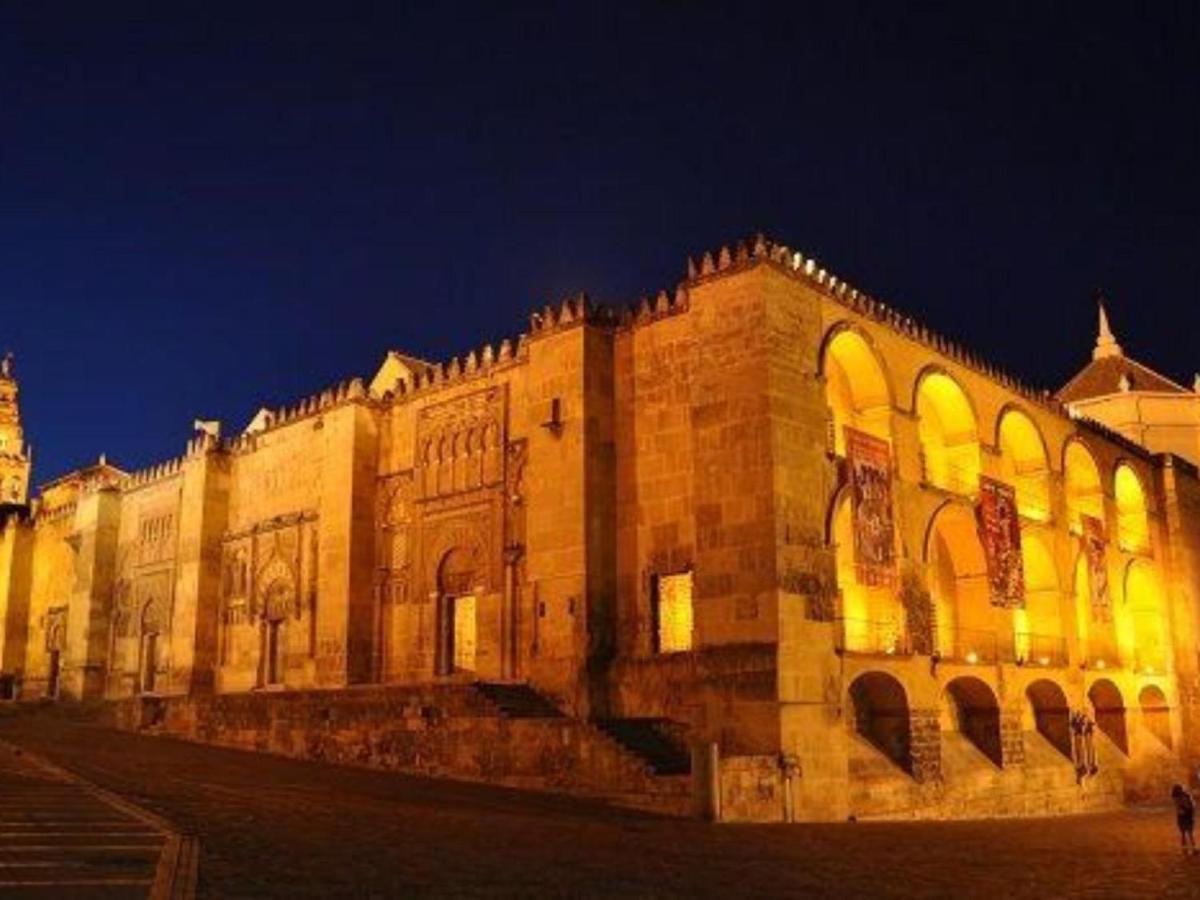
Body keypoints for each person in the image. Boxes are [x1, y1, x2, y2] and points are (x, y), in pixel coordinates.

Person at [1172, 784, 1196, 856]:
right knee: (1189, 834)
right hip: (1187, 815)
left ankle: (1186, 850)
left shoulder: (1177, 798)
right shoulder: (1185, 796)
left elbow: (1179, 808)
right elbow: (1192, 805)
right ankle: (1192, 849)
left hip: (1183, 816)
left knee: (1184, 834)